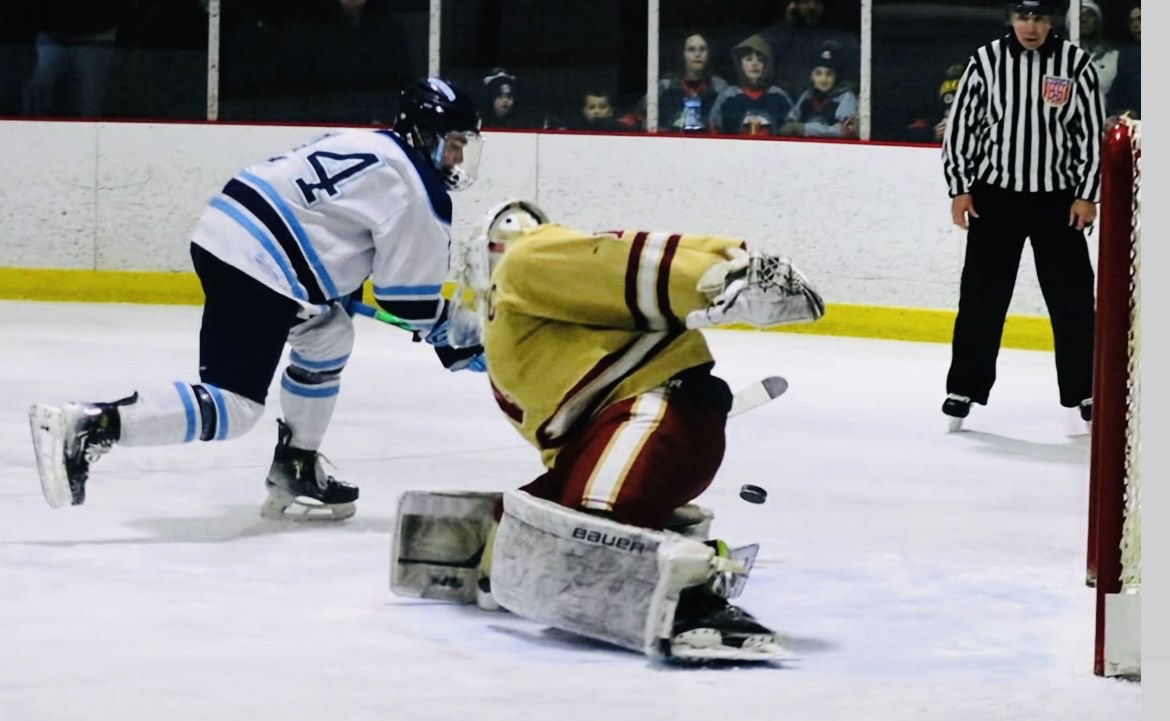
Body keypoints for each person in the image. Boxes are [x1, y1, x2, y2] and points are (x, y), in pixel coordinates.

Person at [28, 77, 487, 521]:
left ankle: (296, 467)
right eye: (454, 142)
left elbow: (329, 215)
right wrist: (456, 336)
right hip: (261, 265)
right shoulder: (418, 189)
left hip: (228, 231)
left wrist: (336, 287)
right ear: (424, 134)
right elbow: (407, 302)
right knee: (236, 406)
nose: (457, 156)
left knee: (328, 336)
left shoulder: (368, 144)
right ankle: (91, 424)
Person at [390, 199, 825, 663]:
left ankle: (696, 600)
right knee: (532, 523)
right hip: (623, 433)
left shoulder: (524, 262)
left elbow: (610, 260)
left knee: (594, 534)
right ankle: (663, 535)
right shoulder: (524, 319)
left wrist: (715, 279)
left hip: (655, 417)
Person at [940, 0, 1104, 428]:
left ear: (1052, 21)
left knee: (1072, 300)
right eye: (1023, 17)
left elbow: (1090, 135)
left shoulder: (1075, 63)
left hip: (1058, 200)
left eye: (1039, 18)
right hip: (996, 198)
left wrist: (1086, 195)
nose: (1030, 27)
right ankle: (964, 387)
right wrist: (959, 187)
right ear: (1010, 19)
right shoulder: (986, 60)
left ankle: (1085, 389)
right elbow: (962, 128)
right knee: (980, 296)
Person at [625, 31, 729, 132]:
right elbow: (638, 117)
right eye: (691, 49)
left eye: (702, 49)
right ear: (682, 54)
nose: (697, 54)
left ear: (709, 54)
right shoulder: (665, 86)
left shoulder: (719, 87)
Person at [708, 34, 793, 136]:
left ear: (767, 65)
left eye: (760, 60)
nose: (754, 64)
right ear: (740, 65)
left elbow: (792, 129)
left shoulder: (779, 96)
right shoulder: (728, 96)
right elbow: (714, 130)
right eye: (748, 59)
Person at [778, 44, 858, 138]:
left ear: (837, 77)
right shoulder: (807, 96)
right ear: (812, 76)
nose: (823, 79)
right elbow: (792, 119)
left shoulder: (845, 97)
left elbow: (845, 130)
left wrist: (805, 129)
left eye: (829, 74)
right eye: (818, 73)